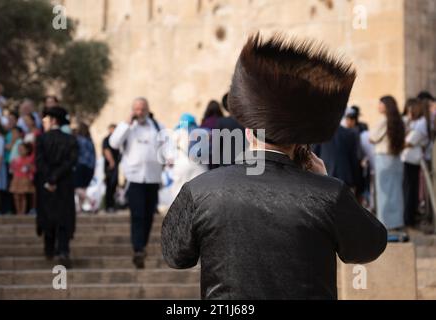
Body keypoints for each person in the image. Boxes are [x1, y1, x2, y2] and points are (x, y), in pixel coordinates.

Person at [162, 33, 387, 300]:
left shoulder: (200, 190)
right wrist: (326, 183)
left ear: (247, 133)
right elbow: (368, 247)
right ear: (298, 141)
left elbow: (175, 255)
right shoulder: (328, 193)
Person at [109, 97, 165, 269]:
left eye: (142, 109)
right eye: (136, 109)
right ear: (133, 110)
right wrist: (126, 123)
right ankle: (138, 249)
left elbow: (166, 145)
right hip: (134, 178)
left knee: (148, 215)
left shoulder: (157, 126)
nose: (139, 112)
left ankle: (143, 245)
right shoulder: (127, 127)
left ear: (147, 109)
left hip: (153, 178)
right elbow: (114, 142)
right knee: (137, 214)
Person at [36, 106, 78, 268]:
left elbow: (40, 162)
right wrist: (56, 178)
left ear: (53, 120)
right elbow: (71, 162)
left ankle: (49, 249)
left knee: (48, 215)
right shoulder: (71, 140)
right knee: (64, 217)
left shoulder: (41, 139)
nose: (43, 123)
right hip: (64, 184)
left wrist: (49, 179)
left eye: (46, 119)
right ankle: (63, 250)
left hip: (47, 186)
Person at [370, 96, 406, 231]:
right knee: (396, 191)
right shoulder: (399, 121)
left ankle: (385, 223)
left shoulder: (383, 121)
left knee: (383, 192)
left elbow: (371, 138)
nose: (378, 106)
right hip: (397, 159)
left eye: (380, 104)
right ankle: (397, 221)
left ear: (386, 106)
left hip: (384, 159)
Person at [401, 98, 428, 227]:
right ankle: (409, 216)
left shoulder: (421, 123)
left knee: (410, 190)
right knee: (409, 189)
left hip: (411, 159)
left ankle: (409, 218)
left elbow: (409, 141)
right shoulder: (414, 122)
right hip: (409, 159)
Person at [313, 125, 360, 191]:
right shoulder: (349, 133)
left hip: (326, 177)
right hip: (344, 179)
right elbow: (354, 161)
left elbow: (313, 156)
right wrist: (358, 184)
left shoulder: (320, 134)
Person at [74, 122, 96, 213]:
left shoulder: (78, 140)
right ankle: (79, 208)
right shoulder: (90, 141)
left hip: (80, 165)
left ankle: (90, 199)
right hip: (90, 166)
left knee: (76, 187)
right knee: (83, 188)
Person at [10, 143, 35, 215]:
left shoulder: (29, 160)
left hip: (24, 179)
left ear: (27, 150)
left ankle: (23, 212)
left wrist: (29, 166)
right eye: (19, 149)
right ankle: (18, 211)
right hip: (16, 179)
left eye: (22, 149)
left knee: (23, 196)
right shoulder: (15, 160)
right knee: (16, 196)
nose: (20, 150)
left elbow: (34, 169)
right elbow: (12, 169)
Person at [102, 124, 120, 213]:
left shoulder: (116, 140)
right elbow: (106, 150)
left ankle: (111, 205)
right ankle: (109, 205)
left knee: (114, 185)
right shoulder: (107, 139)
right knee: (110, 185)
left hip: (114, 165)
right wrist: (111, 161)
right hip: (110, 166)